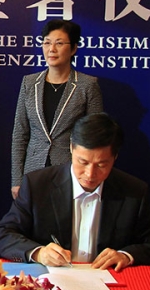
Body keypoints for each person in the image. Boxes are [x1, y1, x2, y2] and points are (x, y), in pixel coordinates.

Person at [0, 113, 150, 272]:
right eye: (83, 162)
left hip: (108, 281)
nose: (90, 174)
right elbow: (2, 235)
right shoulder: (38, 184)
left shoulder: (133, 191)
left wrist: (125, 255)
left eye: (101, 165)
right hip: (52, 284)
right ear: (71, 148)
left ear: (115, 157)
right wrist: (38, 253)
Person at [10, 19, 103, 199]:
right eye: (47, 43)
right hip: (33, 172)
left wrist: (89, 176)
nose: (51, 49)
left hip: (71, 171)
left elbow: (95, 136)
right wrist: (17, 180)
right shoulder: (29, 83)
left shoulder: (87, 85)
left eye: (59, 43)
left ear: (74, 48)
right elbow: (20, 134)